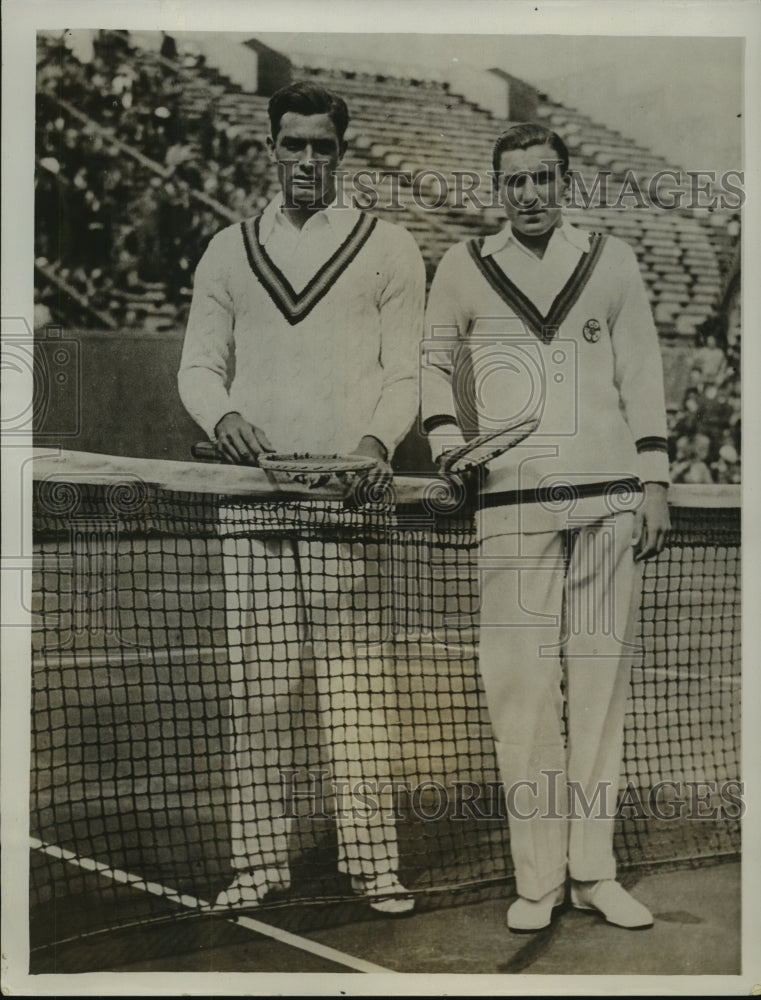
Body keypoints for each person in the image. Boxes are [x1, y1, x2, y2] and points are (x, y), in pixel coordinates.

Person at [178, 81, 425, 915]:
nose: (308, 161)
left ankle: (372, 862)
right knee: (261, 688)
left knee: (355, 687)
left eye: (323, 146)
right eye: (294, 145)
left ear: (341, 152)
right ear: (272, 147)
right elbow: (197, 370)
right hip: (249, 500)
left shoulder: (388, 247)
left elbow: (405, 374)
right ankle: (257, 861)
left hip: (345, 501)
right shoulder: (225, 249)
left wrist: (373, 445)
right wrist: (225, 415)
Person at [421, 122, 670, 932]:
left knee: (599, 686)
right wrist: (447, 439)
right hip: (508, 505)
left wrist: (655, 479)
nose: (529, 194)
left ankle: (593, 873)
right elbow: (431, 361)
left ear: (564, 181)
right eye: (515, 182)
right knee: (521, 690)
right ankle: (538, 880)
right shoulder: (462, 265)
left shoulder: (612, 259)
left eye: (542, 179)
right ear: (499, 188)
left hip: (608, 502)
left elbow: (641, 369)